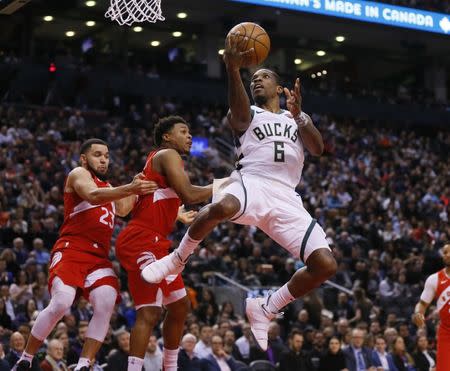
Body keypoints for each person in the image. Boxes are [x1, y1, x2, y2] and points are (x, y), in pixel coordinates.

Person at [141, 28, 337, 352]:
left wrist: (301, 114)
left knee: (326, 265)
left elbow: (317, 149)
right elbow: (240, 114)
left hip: (287, 196)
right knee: (221, 207)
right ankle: (178, 259)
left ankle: (267, 307)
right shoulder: (247, 110)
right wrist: (233, 70)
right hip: (253, 180)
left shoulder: (295, 118)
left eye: (263, 77)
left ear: (279, 86)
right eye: (253, 78)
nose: (256, 80)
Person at [15, 138, 157, 371]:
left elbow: (124, 208)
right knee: (61, 302)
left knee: (107, 299)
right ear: (84, 158)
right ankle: (26, 359)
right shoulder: (79, 173)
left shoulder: (111, 188)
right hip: (72, 248)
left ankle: (83, 364)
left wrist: (146, 188)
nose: (103, 159)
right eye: (97, 155)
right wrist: (130, 188)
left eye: (107, 156)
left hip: (98, 257)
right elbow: (92, 195)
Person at [115, 116, 212, 371]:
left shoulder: (160, 163)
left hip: (156, 242)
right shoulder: (167, 154)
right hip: (140, 241)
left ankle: (170, 367)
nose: (190, 136)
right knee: (150, 312)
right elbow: (189, 194)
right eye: (184, 131)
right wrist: (226, 185)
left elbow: (154, 201)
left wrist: (175, 214)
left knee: (180, 307)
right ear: (167, 137)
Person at [413, 243, 450, 371]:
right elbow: (422, 304)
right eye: (445, 252)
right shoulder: (434, 279)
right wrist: (418, 313)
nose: (448, 255)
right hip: (446, 332)